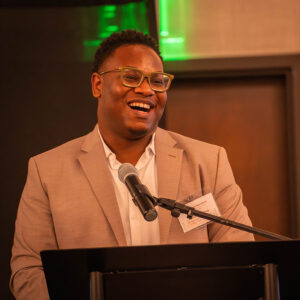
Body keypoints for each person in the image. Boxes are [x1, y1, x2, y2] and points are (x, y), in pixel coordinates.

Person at [10, 30, 254, 299]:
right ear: (97, 85)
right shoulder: (47, 171)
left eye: (157, 81)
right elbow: (28, 271)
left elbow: (241, 258)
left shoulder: (209, 161)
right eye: (131, 77)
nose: (147, 90)